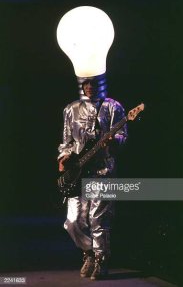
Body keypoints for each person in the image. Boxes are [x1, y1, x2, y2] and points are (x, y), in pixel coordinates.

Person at [57, 77, 128, 280]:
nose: (89, 87)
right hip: (78, 171)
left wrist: (114, 140)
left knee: (99, 219)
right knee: (73, 221)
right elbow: (66, 141)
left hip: (102, 170)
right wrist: (64, 157)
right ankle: (88, 253)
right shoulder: (71, 109)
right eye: (86, 83)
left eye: (93, 83)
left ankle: (101, 260)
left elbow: (123, 136)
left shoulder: (113, 107)